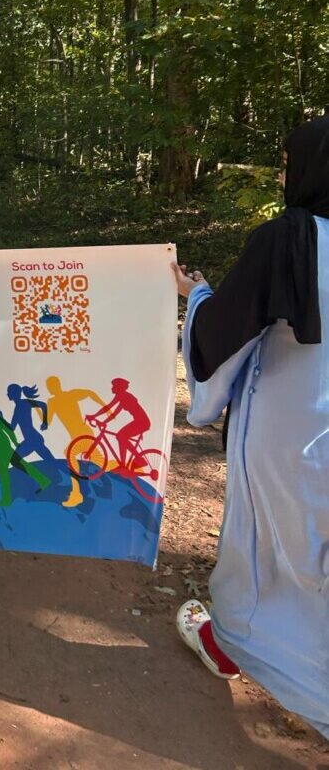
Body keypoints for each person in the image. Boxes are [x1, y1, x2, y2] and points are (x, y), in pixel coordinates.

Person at [173, 114, 329, 739]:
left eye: (289, 164)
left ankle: (233, 641)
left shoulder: (290, 239)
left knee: (269, 552)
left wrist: (197, 295)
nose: (284, 176)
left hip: (288, 438)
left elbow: (223, 338)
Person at [0, 390, 48, 507]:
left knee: (5, 472)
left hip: (2, 446)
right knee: (17, 465)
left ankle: (7, 499)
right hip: (0, 445)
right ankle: (42, 480)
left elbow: (5, 428)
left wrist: (15, 442)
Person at [42, 376, 105, 508]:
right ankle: (127, 466)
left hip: (82, 434)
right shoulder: (58, 400)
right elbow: (47, 422)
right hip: (81, 434)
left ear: (56, 385)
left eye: (50, 386)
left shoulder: (60, 399)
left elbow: (46, 422)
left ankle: (76, 494)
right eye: (49, 387)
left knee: (70, 454)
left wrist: (105, 407)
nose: (50, 389)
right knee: (99, 462)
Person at [85, 378, 150, 470]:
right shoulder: (123, 398)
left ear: (119, 387)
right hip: (141, 421)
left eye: (114, 386)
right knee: (121, 437)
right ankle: (123, 465)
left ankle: (140, 459)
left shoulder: (123, 396)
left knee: (121, 436)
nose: (112, 388)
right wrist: (104, 422)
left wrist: (94, 416)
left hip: (142, 422)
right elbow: (114, 414)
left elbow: (108, 407)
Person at [4, 384, 59, 483]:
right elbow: (12, 428)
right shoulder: (20, 405)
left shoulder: (22, 404)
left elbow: (43, 405)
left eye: (9, 392)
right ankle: (47, 479)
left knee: (14, 460)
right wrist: (44, 422)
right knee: (51, 461)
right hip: (32, 439)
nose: (7, 394)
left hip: (32, 440)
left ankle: (40, 480)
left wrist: (45, 422)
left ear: (14, 394)